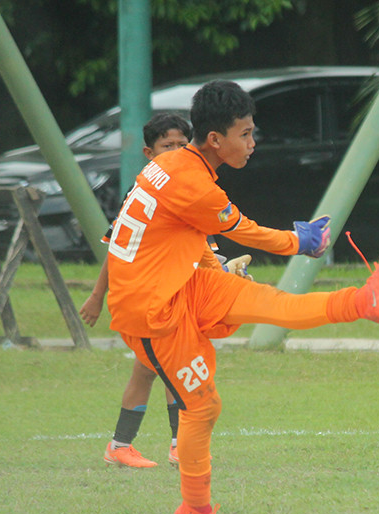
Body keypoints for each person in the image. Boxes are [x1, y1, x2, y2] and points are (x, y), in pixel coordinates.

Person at [105, 80, 379, 514]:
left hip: (177, 283)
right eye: (245, 134)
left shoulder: (175, 164)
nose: (253, 142)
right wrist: (299, 240)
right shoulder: (191, 179)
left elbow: (166, 234)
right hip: (150, 312)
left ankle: (367, 300)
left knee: (272, 303)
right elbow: (240, 229)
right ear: (214, 141)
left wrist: (209, 265)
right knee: (203, 407)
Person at [80, 112, 252, 468]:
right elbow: (117, 250)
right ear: (148, 152)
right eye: (166, 146)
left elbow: (205, 252)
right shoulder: (144, 193)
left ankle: (131, 445)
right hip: (149, 298)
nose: (175, 151)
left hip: (176, 295)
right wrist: (97, 297)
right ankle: (160, 446)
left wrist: (225, 275)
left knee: (153, 369)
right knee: (172, 365)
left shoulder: (191, 188)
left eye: (180, 144)